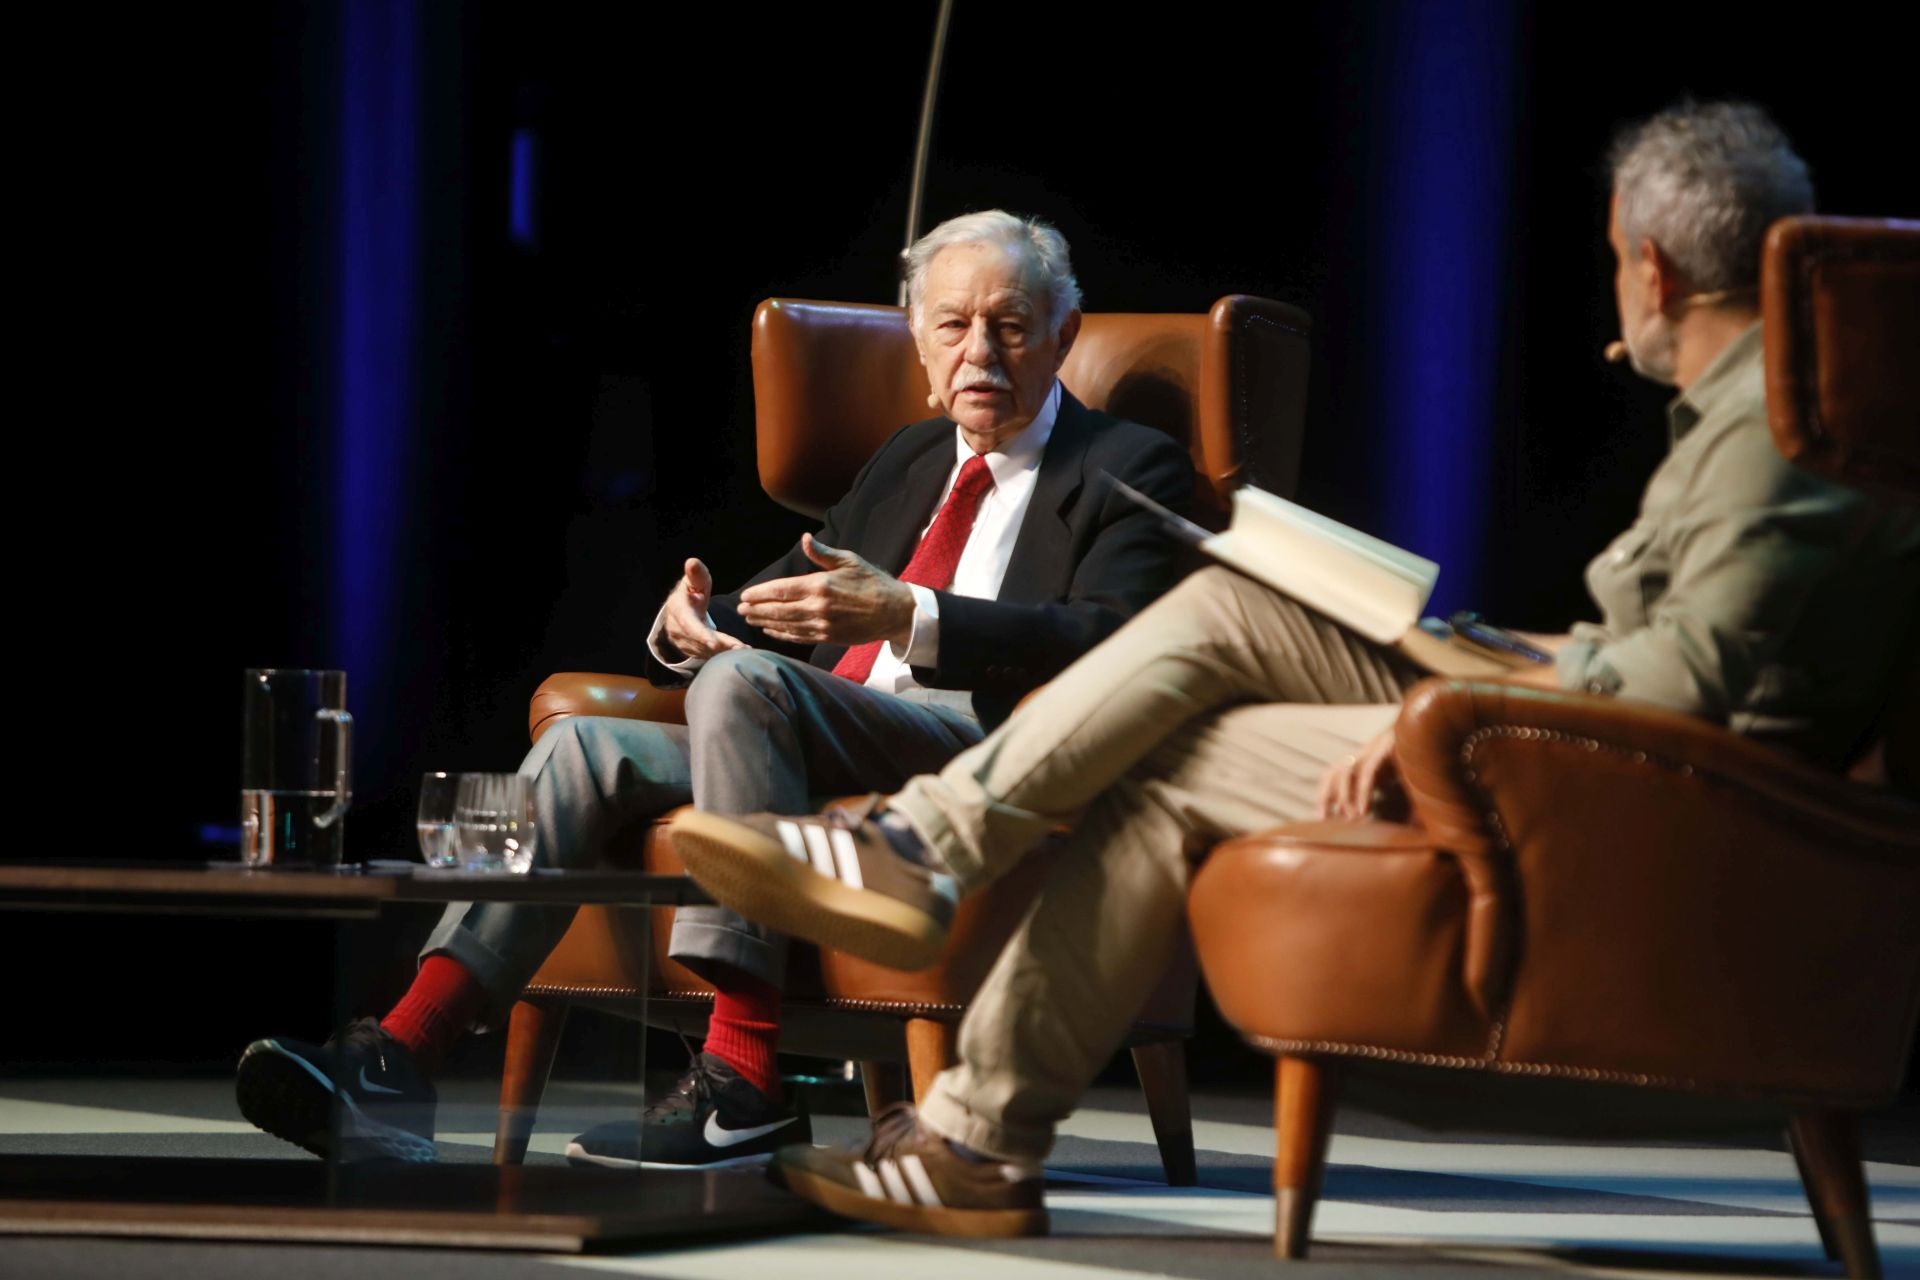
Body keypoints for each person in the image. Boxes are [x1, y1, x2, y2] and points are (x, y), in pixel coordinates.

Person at [669, 101, 1920, 1236]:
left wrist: (1464, 702)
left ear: (1649, 266)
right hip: (1597, 730)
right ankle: (974, 1137)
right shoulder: (1772, 403)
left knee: (1218, 615)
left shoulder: (1781, 423)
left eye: (1610, 264)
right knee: (1175, 735)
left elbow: (1690, 689)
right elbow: (1671, 646)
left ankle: (928, 850)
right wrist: (1492, 648)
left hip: (1652, 787)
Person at [233, 210, 1198, 1168]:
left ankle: (744, 1076)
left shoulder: (1127, 466)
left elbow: (1111, 639)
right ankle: (405, 1052)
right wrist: (691, 621)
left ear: (1064, 335)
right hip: (811, 731)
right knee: (584, 743)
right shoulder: (910, 458)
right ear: (918, 338)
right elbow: (776, 598)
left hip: (984, 746)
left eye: (1011, 323)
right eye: (953, 325)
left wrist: (910, 616)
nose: (979, 350)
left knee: (746, 688)